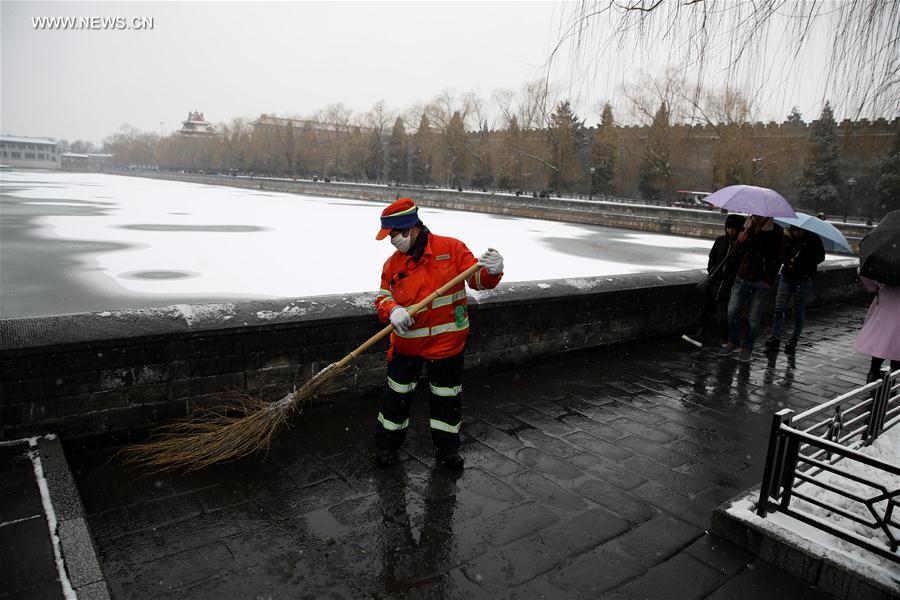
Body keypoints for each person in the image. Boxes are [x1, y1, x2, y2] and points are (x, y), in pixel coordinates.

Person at [373, 198, 504, 469]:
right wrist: (393, 310)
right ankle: (386, 448)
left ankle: (447, 452)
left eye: (394, 235)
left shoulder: (452, 249)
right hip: (406, 347)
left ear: (410, 228)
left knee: (446, 401)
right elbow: (383, 296)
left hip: (447, 346)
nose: (392, 241)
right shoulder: (392, 264)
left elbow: (477, 281)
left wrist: (493, 271)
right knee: (395, 401)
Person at [719, 214, 785, 362]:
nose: (757, 217)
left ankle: (747, 347)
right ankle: (733, 341)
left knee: (753, 318)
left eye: (760, 215)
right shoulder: (746, 226)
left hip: (760, 280)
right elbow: (735, 252)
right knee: (731, 312)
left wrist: (768, 280)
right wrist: (739, 241)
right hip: (741, 277)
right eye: (754, 214)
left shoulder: (775, 231)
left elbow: (778, 257)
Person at [683, 213, 746, 347]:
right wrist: (711, 269)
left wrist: (733, 277)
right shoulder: (720, 240)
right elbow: (712, 257)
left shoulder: (742, 244)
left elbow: (742, 264)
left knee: (728, 312)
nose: (731, 231)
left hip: (731, 284)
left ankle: (726, 339)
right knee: (708, 308)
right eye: (729, 228)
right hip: (716, 281)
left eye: (734, 228)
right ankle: (701, 333)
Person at [763, 226, 826, 354]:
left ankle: (794, 338)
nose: (796, 234)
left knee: (798, 309)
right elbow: (780, 253)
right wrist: (788, 261)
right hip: (787, 276)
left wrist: (801, 261)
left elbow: (820, 257)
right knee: (779, 307)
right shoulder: (786, 237)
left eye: (799, 231)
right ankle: (776, 337)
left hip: (804, 279)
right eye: (794, 231)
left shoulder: (812, 238)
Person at [853, 274, 900, 383]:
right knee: (896, 351)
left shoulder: (887, 271)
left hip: (885, 313)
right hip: (889, 312)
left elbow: (868, 281)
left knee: (880, 346)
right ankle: (891, 382)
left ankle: (873, 376)